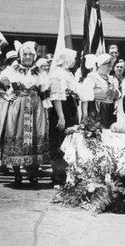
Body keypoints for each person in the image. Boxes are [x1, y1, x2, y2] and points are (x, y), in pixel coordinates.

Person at [0, 41, 49, 187]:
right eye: (25, 54)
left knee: (35, 139)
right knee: (16, 135)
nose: (28, 57)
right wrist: (6, 96)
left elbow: (45, 91)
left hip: (36, 107)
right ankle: (17, 174)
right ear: (20, 55)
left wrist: (45, 109)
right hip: (18, 106)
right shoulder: (12, 70)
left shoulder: (40, 72)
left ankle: (33, 174)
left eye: (30, 54)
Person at [47, 49, 79, 187]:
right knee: (59, 139)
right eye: (73, 58)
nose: (75, 61)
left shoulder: (67, 73)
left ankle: (67, 173)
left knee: (69, 139)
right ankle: (57, 174)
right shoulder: (57, 74)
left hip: (70, 106)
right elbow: (56, 96)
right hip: (62, 108)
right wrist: (61, 116)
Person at [80, 53, 120, 128]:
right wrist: (84, 116)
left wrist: (115, 103)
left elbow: (116, 96)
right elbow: (85, 100)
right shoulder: (91, 79)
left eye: (111, 66)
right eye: (107, 66)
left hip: (110, 111)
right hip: (96, 110)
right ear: (99, 65)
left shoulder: (112, 79)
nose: (110, 68)